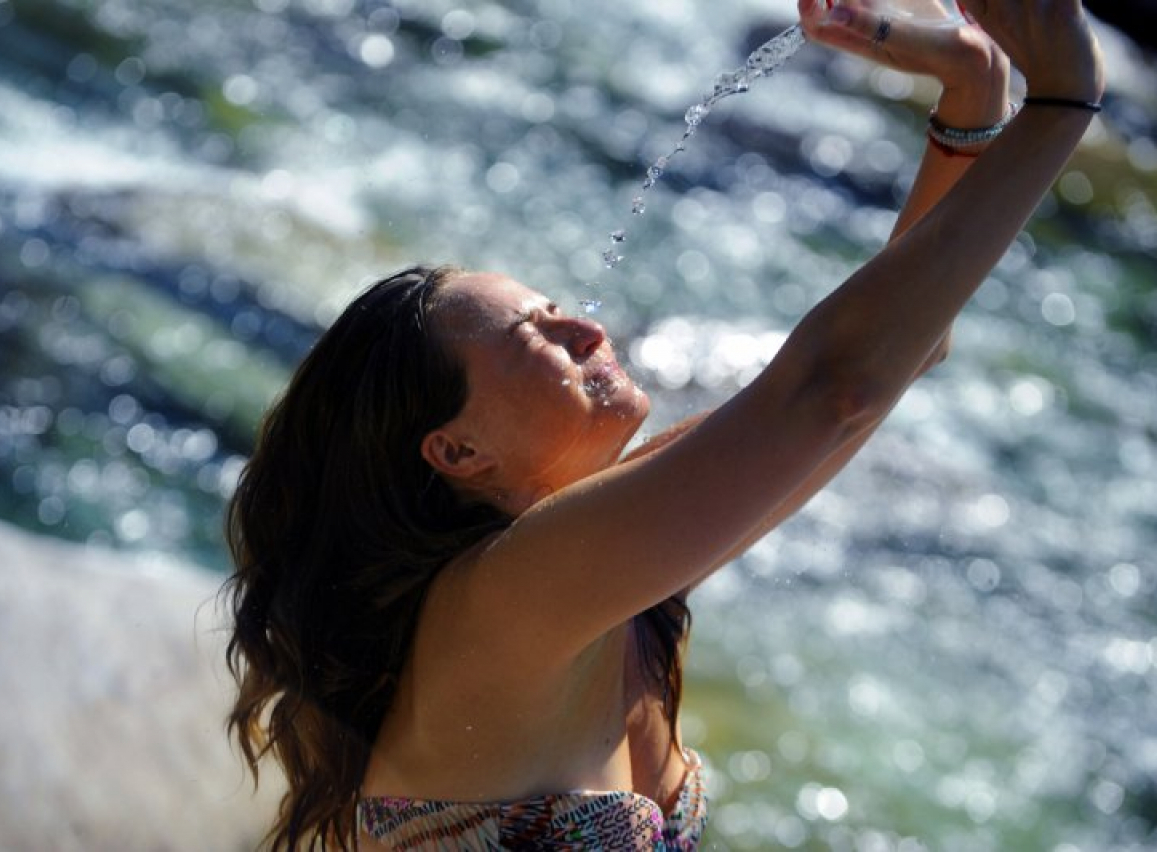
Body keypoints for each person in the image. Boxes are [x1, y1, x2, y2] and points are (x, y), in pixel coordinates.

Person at [221, 1, 1105, 849]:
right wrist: (1063, 101)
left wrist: (973, 94)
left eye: (560, 309)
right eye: (537, 335)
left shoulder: (606, 578)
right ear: (458, 450)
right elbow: (835, 388)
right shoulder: (503, 596)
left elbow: (897, 355)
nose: (585, 329)